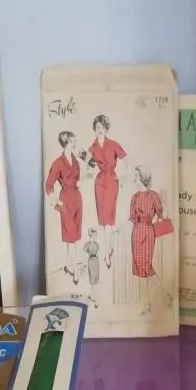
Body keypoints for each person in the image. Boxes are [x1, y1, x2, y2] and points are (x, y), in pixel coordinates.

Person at [129, 166, 171, 316]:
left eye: (136, 176)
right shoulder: (134, 197)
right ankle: (148, 304)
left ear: (142, 178)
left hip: (148, 232)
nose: (134, 178)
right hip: (136, 233)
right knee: (141, 270)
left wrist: (165, 202)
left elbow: (163, 216)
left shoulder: (153, 196)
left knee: (146, 268)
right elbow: (132, 218)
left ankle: (165, 295)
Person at [88, 115, 127, 269]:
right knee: (103, 219)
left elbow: (127, 160)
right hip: (99, 182)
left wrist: (124, 177)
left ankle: (106, 253)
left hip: (111, 181)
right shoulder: (92, 147)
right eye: (98, 127)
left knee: (109, 217)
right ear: (95, 128)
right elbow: (87, 165)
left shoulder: (113, 144)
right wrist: (86, 172)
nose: (100, 130)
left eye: (103, 127)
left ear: (106, 129)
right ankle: (108, 248)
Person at [45, 131, 83, 285]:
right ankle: (75, 269)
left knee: (73, 235)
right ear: (66, 143)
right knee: (70, 234)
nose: (75, 143)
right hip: (65, 200)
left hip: (77, 199)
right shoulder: (57, 163)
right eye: (72, 141)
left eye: (74, 140)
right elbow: (48, 185)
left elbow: (78, 180)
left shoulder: (77, 161)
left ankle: (69, 266)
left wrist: (79, 182)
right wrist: (55, 202)